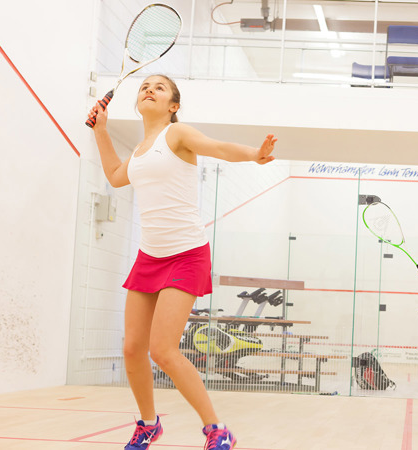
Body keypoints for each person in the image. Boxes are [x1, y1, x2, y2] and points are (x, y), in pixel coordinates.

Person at [88, 74, 276, 450]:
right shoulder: (141, 151)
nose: (148, 90)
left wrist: (254, 154)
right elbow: (113, 176)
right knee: (132, 348)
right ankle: (148, 424)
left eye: (159, 87)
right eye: (144, 86)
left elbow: (218, 147)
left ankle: (216, 429)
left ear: (173, 106)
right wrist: (101, 131)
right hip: (149, 255)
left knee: (163, 350)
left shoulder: (176, 135)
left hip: (187, 253)